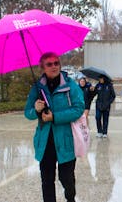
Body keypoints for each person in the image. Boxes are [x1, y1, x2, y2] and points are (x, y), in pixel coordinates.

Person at [24, 52, 85, 202]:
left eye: (56, 63)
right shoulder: (37, 88)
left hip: (65, 140)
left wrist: (55, 117)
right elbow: (28, 113)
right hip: (45, 142)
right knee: (47, 181)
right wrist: (36, 109)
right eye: (49, 64)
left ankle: (70, 199)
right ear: (42, 67)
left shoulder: (70, 85)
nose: (54, 66)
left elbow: (78, 109)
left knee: (67, 180)